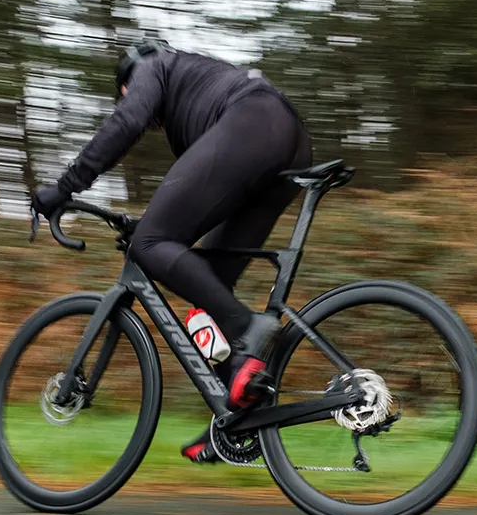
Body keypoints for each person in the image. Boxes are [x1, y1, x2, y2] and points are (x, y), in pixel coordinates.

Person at [31, 39, 313, 464]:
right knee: (207, 291)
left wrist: (65, 187)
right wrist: (147, 225)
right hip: (286, 138)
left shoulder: (154, 66)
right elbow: (196, 199)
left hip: (254, 124)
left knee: (150, 246)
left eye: (125, 93)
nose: (151, 125)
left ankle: (247, 327)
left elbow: (126, 123)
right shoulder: (197, 94)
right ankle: (237, 420)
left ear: (129, 80)